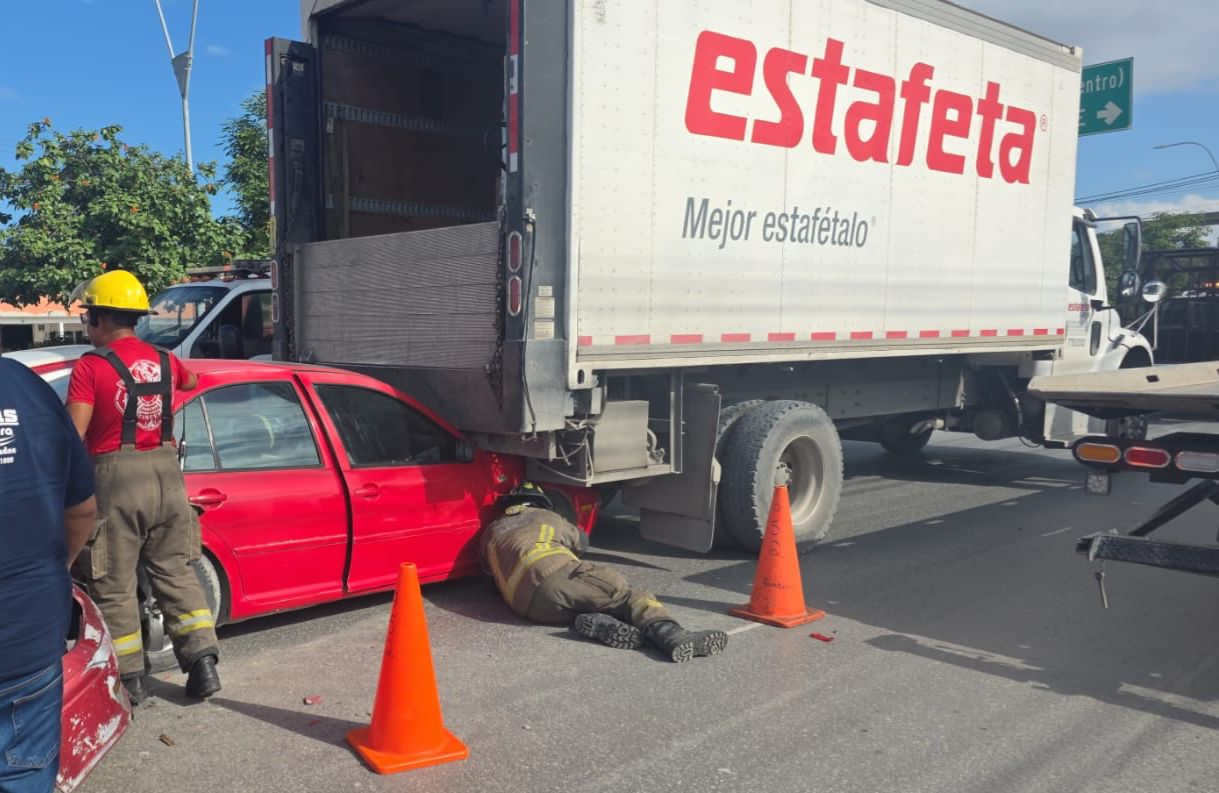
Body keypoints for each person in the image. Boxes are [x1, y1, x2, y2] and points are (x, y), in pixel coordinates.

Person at [64, 269, 221, 704]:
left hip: (116, 482)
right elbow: (192, 382)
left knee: (112, 582)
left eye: (87, 317)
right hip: (167, 479)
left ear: (99, 317)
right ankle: (203, 663)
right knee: (175, 571)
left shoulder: (90, 366)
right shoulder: (166, 360)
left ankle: (130, 680)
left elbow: (73, 435)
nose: (87, 325)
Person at [481, 483, 728, 662]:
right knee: (629, 597)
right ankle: (672, 635)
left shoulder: (491, 532)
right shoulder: (545, 516)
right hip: (556, 577)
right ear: (538, 501)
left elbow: (490, 580)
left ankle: (599, 622)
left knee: (588, 600)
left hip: (527, 607)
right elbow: (582, 542)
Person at [0, 358, 97, 793]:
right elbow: (82, 509)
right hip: (28, 642)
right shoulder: (27, 386)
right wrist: (54, 570)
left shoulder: (91, 370)